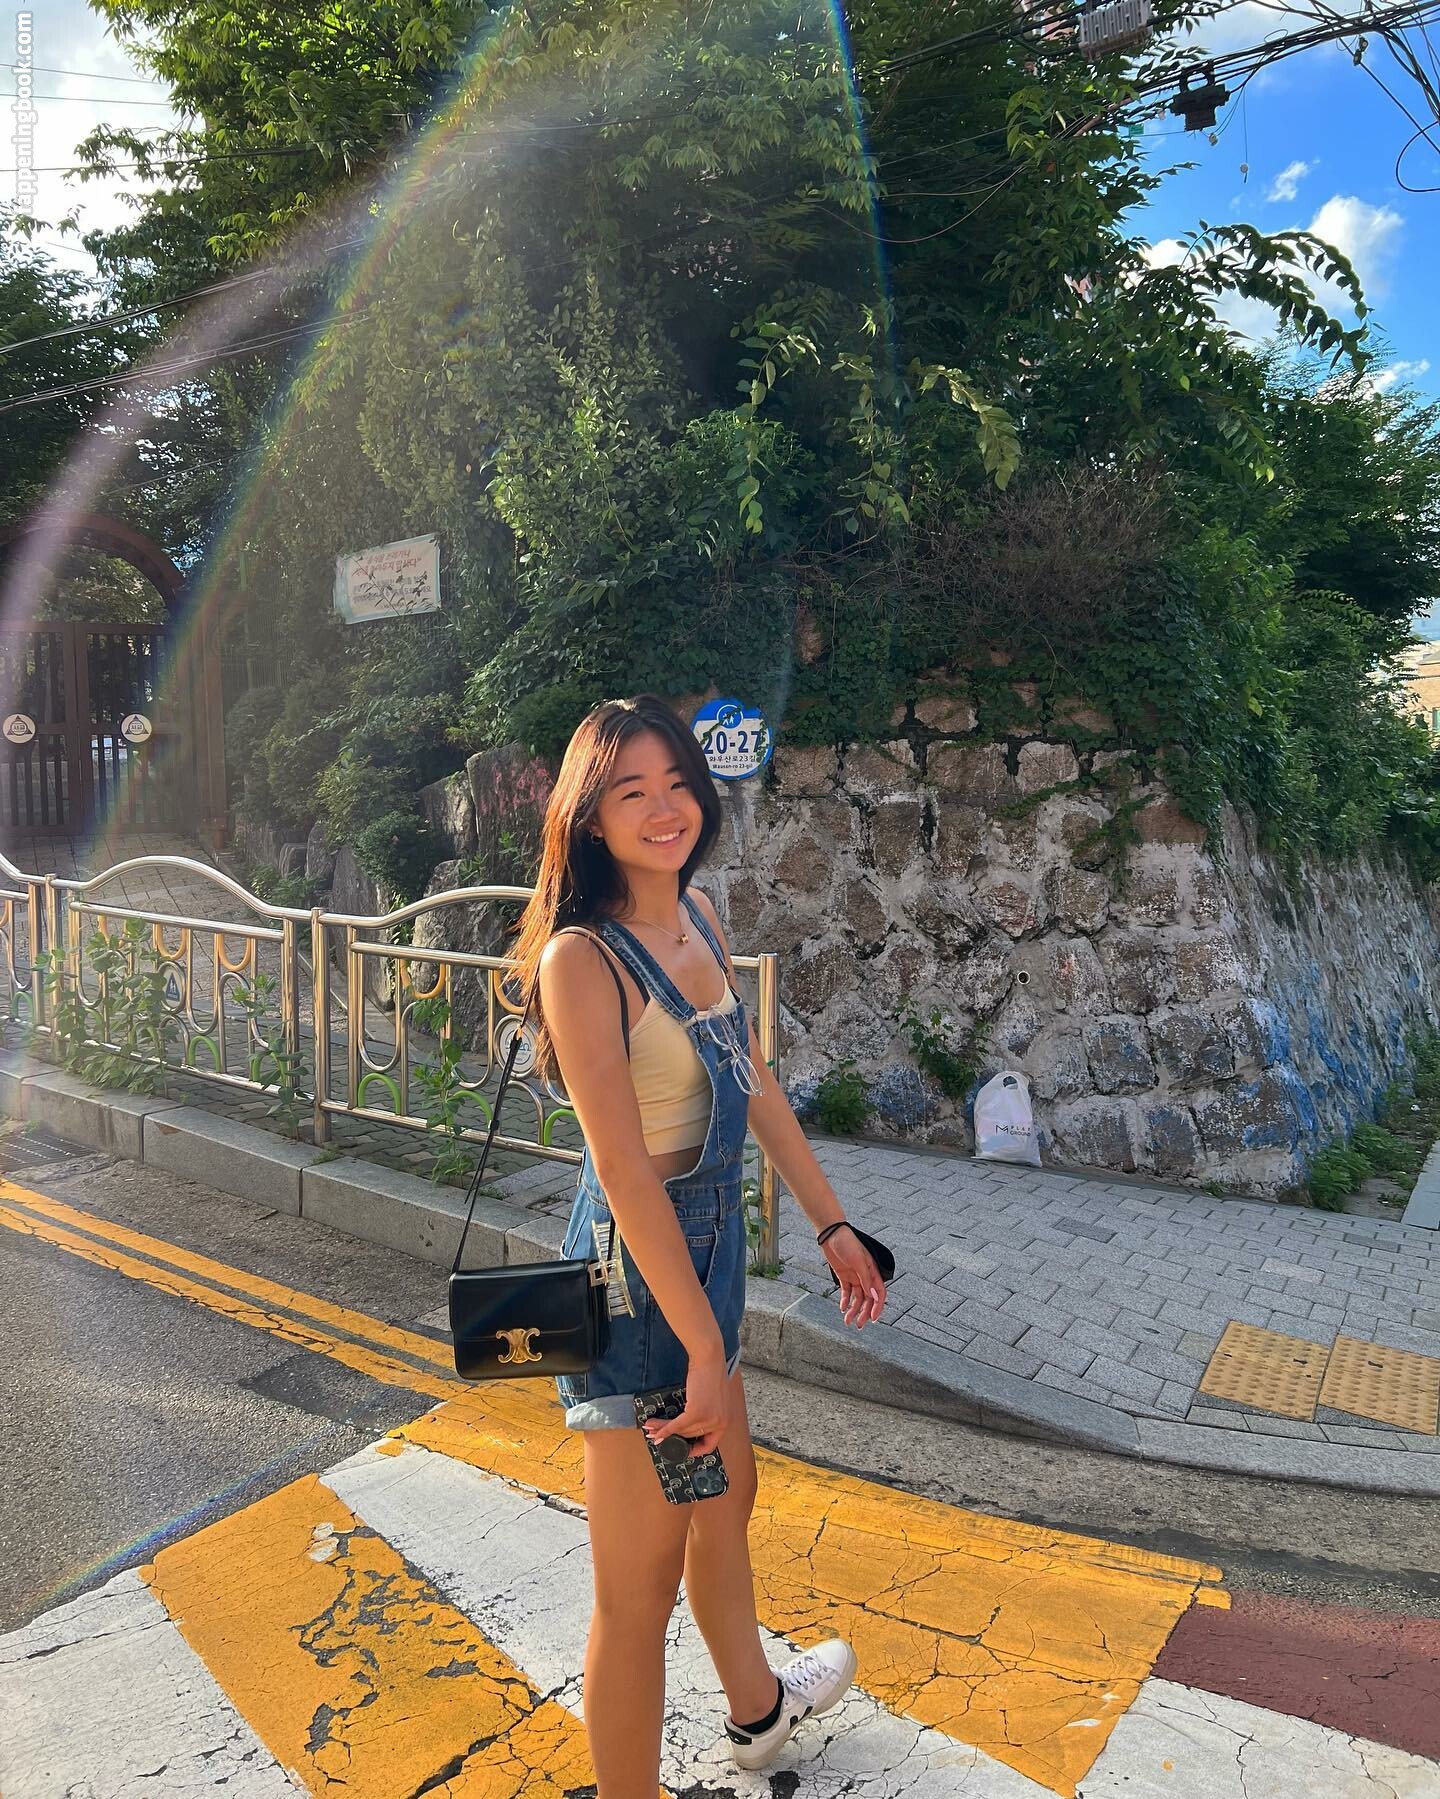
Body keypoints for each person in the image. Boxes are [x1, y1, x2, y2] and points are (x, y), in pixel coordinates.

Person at [508, 693, 888, 1796]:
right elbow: (626, 1174)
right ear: (590, 816)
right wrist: (705, 1353)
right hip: (639, 1287)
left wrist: (831, 1221)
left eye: (677, 782)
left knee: (726, 1500)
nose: (664, 807)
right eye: (632, 791)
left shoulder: (700, 918)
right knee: (638, 1590)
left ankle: (759, 1709)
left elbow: (751, 1079)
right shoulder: (584, 959)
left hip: (706, 1259)